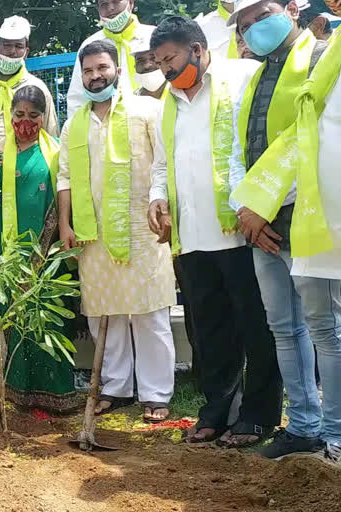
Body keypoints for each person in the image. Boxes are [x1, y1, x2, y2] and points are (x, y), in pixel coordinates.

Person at [148, 16, 283, 447]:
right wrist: (157, 198)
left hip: (239, 233)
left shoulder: (240, 79)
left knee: (256, 328)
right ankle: (215, 412)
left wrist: (259, 205)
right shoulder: (167, 102)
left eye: (169, 58)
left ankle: (258, 416)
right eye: (159, 62)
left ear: (198, 49)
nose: (165, 70)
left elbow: (265, 141)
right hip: (192, 237)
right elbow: (162, 162)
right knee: (208, 332)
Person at [227, 0, 339, 460]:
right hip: (261, 223)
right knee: (283, 327)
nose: (255, 28)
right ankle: (304, 426)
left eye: (262, 14)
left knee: (324, 327)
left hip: (308, 215)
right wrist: (246, 208)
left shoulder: (321, 58)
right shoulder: (254, 76)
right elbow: (238, 149)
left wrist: (264, 206)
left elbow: (316, 139)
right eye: (245, 24)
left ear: (291, 9)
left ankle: (333, 432)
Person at [57, 40, 176, 422]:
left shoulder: (147, 110)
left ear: (118, 70)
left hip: (144, 229)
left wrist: (165, 206)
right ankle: (116, 386)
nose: (96, 76)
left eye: (102, 68)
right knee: (103, 313)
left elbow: (164, 163)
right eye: (89, 71)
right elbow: (64, 178)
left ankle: (156, 393)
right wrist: (65, 222)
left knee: (149, 312)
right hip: (95, 234)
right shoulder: (74, 123)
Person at [0, 85, 79, 412]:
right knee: (16, 322)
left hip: (49, 258)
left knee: (51, 322)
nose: (26, 122)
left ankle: (58, 394)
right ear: (10, 115)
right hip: (9, 256)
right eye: (19, 115)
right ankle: (18, 392)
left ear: (45, 117)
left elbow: (67, 192)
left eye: (34, 116)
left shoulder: (58, 151)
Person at [0, 15, 58, 153]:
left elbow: (51, 132)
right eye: (7, 45)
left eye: (19, 46)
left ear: (26, 52)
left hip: (23, 165)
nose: (12, 51)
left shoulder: (37, 87)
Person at [67, 0, 156, 117]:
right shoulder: (89, 45)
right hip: (108, 126)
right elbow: (77, 98)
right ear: (98, 9)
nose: (111, 8)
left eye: (116, 1)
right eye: (104, 4)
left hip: (158, 118)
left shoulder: (153, 36)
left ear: (131, 3)